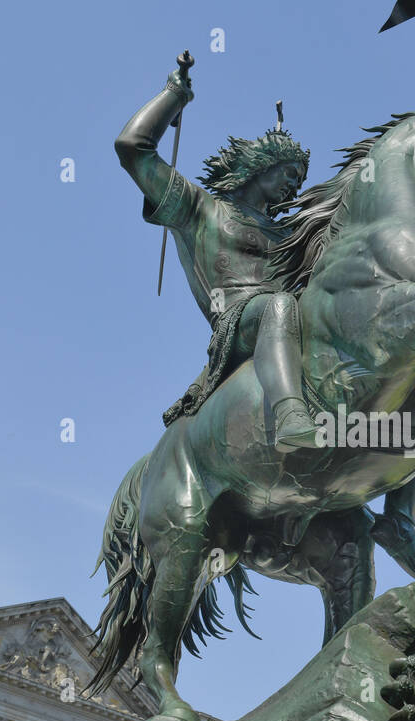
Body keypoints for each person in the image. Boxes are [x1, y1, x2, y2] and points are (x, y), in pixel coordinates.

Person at [115, 64, 320, 450]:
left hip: (292, 320)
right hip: (238, 322)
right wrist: (175, 95)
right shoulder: (199, 209)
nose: (295, 185)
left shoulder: (290, 233)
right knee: (277, 305)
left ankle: (399, 502)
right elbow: (132, 147)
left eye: (300, 179)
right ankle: (290, 414)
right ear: (262, 165)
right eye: (291, 172)